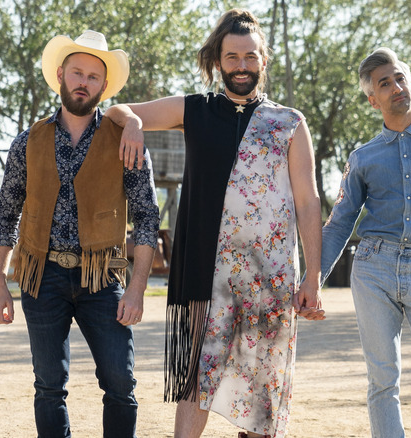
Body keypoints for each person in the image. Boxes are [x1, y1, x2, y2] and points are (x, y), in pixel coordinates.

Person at [104, 9, 324, 438]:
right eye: (232, 57)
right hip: (207, 269)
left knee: (265, 387)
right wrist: (131, 122)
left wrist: (312, 275)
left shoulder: (289, 122)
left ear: (263, 60)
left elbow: (308, 199)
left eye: (250, 56)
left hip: (271, 274)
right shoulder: (195, 110)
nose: (242, 65)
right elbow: (119, 108)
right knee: (196, 380)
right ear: (217, 61)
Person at [0, 30, 160, 437]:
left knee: (120, 383)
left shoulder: (127, 140)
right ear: (61, 75)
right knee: (49, 387)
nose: (84, 82)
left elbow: (147, 219)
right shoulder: (26, 141)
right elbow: (5, 215)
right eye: (77, 73)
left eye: (93, 77)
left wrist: (136, 288)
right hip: (41, 275)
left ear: (103, 86)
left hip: (103, 277)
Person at [320, 47, 411, 438]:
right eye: (385, 83)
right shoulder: (362, 157)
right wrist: (311, 281)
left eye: (400, 77)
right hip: (373, 269)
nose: (396, 86)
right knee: (383, 381)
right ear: (373, 100)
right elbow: (338, 225)